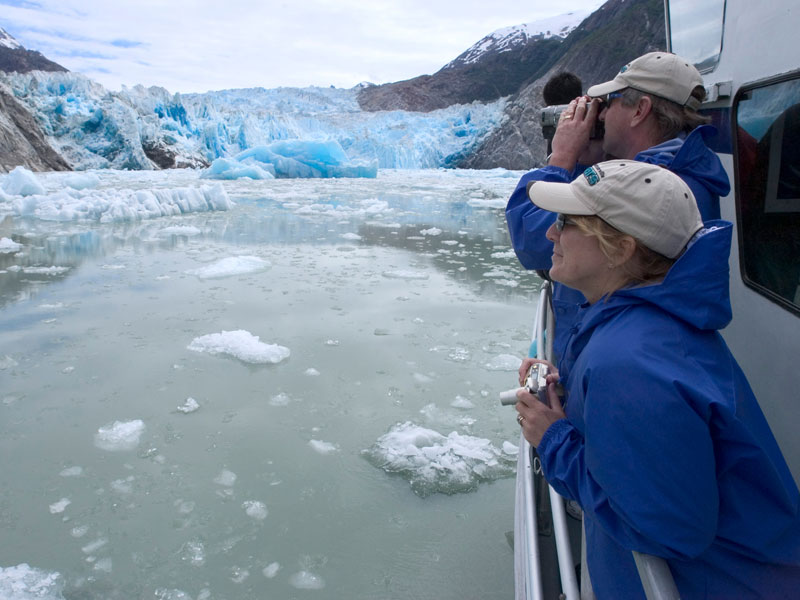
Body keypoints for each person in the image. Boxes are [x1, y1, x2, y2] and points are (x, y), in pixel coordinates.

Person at [514, 159, 800, 599]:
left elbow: (669, 531)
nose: (550, 233)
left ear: (622, 247)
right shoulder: (641, 324)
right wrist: (567, 396)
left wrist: (553, 440)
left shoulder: (629, 363)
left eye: (567, 222)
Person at [506, 52, 731, 361]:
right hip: (598, 344)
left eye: (610, 103)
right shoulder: (676, 171)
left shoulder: (655, 190)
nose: (598, 116)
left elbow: (533, 240)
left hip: (607, 354)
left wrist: (561, 157)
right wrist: (587, 162)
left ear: (640, 110)